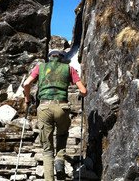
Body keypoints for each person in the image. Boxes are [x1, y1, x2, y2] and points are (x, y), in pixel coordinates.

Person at [23, 49, 87, 180]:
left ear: (49, 58)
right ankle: (59, 161)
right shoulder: (69, 69)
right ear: (62, 59)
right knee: (62, 135)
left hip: (44, 107)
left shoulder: (40, 67)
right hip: (62, 107)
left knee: (47, 149)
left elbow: (26, 83)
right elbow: (83, 91)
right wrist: (80, 95)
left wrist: (27, 98)